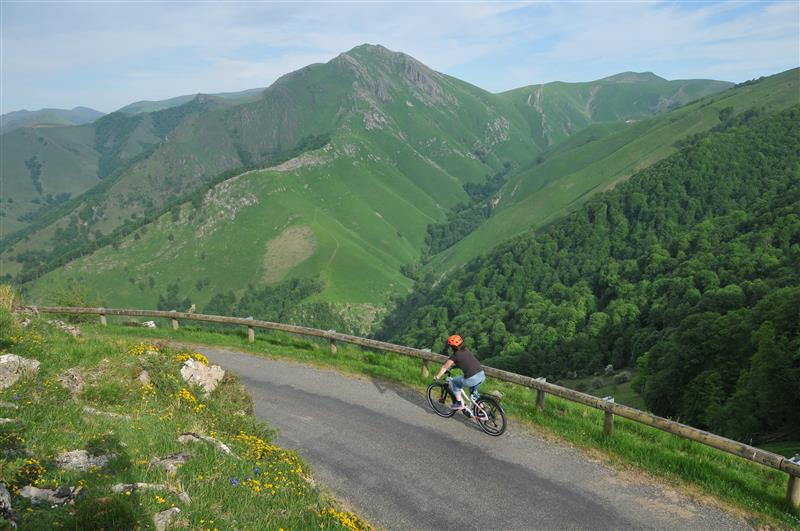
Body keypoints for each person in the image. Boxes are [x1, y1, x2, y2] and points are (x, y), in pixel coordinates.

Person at [434, 334, 485, 411]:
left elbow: (444, 367)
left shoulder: (455, 355)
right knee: (474, 393)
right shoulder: (466, 350)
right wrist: (456, 366)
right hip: (481, 375)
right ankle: (482, 409)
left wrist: (437, 377)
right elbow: (465, 361)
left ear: (452, 346)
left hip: (472, 378)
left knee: (454, 382)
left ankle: (459, 404)